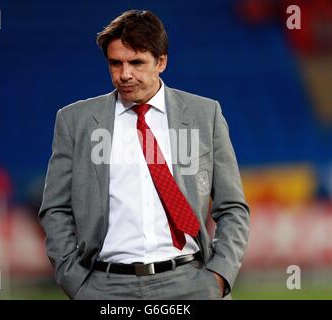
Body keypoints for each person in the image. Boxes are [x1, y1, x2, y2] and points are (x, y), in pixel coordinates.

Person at [38, 9, 250, 300]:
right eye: (116, 63)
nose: (124, 74)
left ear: (161, 61)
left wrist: (220, 276)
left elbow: (232, 207)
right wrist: (74, 280)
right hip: (104, 287)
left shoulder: (205, 115)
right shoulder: (75, 121)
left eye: (136, 62)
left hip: (191, 284)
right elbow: (55, 209)